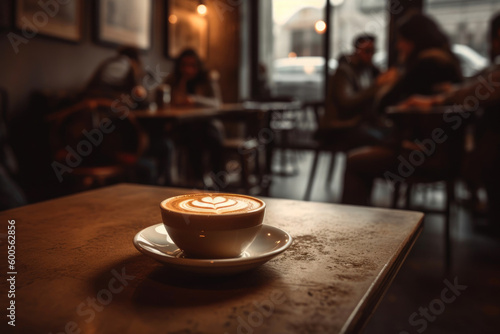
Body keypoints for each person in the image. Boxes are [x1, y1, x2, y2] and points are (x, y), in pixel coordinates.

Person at [341, 13, 463, 206]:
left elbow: (384, 106)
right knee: (368, 136)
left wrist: (391, 81)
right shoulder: (449, 62)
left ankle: (351, 228)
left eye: (401, 40)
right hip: (449, 153)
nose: (398, 46)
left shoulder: (424, 65)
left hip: (418, 153)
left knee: (355, 160)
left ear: (414, 41)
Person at [400, 12, 500, 229]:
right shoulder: (446, 57)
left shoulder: (425, 61)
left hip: (441, 152)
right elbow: (481, 82)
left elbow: (485, 87)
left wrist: (437, 99)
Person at [318, 34, 397, 149]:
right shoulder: (344, 71)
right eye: (367, 51)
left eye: (373, 51)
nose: (370, 55)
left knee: (392, 134)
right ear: (356, 50)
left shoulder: (366, 70)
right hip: (339, 128)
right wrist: (376, 86)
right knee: (382, 140)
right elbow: (346, 103)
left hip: (356, 124)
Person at [164, 49, 224, 187]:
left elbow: (216, 103)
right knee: (192, 135)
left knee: (209, 136)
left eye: (192, 65)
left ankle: (216, 179)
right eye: (184, 65)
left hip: (207, 123)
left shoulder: (207, 78)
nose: (187, 68)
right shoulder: (174, 80)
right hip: (181, 125)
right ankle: (196, 180)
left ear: (198, 65)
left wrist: (195, 100)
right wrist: (182, 82)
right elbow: (170, 101)